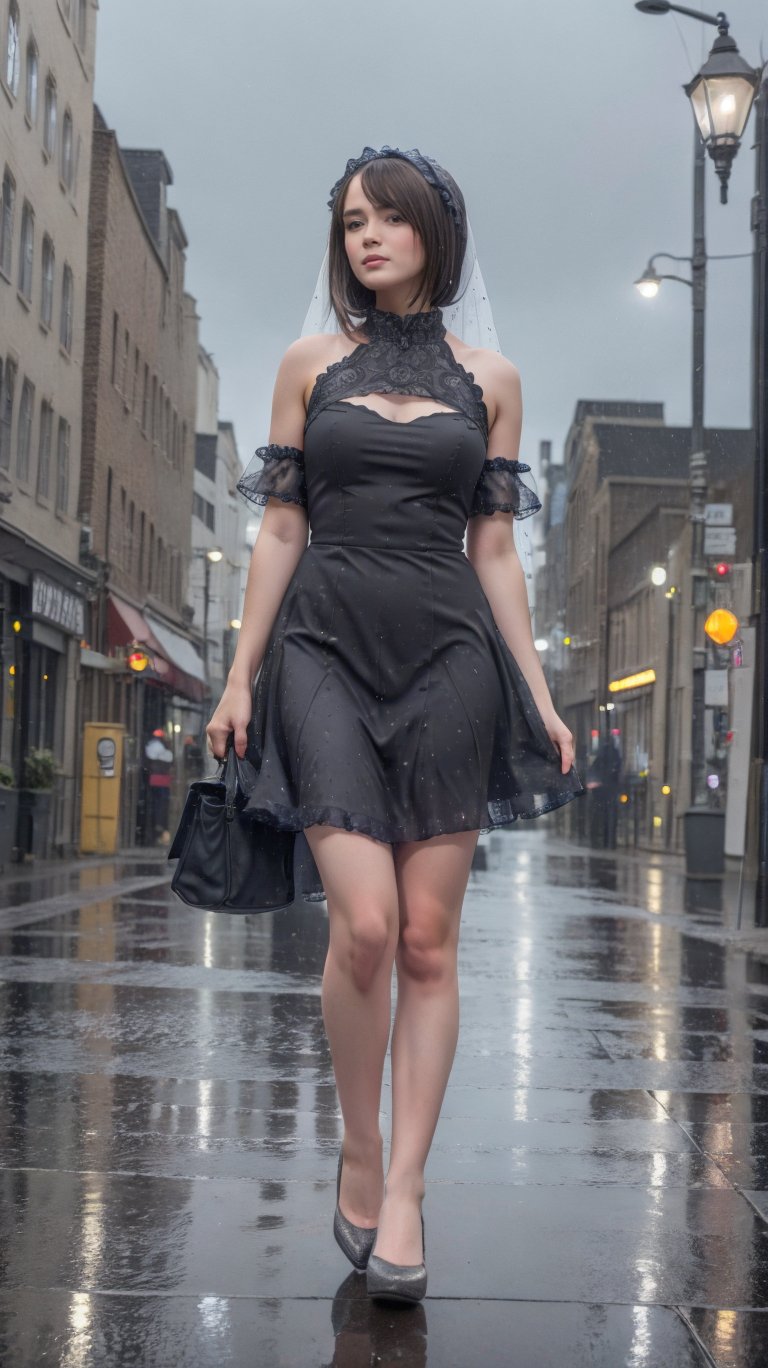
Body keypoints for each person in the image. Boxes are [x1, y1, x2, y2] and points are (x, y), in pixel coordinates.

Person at [206, 146, 586, 1305]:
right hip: (321, 644)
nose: (366, 237)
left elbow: (496, 553)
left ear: (433, 232)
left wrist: (537, 686)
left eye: (388, 219)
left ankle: (407, 1184)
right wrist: (239, 672)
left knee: (427, 940)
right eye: (352, 222)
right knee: (362, 925)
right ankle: (357, 1147)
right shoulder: (309, 366)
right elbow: (279, 530)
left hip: (450, 659)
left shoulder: (495, 380)